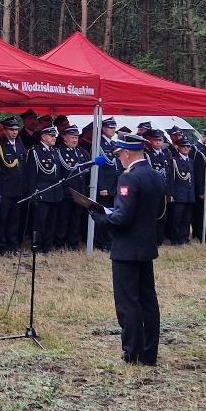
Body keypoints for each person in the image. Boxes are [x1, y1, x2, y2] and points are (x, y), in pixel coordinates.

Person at [85, 137, 165, 365]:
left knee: (128, 302)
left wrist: (100, 217)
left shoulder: (128, 177)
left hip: (127, 248)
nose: (118, 158)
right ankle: (149, 353)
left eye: (119, 154)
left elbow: (122, 218)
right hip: (146, 245)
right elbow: (158, 211)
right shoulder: (155, 175)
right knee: (148, 300)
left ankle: (132, 353)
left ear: (128, 154)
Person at [25, 123, 67, 251]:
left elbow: (58, 173)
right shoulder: (35, 151)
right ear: (43, 137)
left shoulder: (54, 152)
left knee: (51, 221)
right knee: (40, 222)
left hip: (55, 192)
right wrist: (33, 192)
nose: (54, 137)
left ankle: (47, 246)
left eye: (55, 135)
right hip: (42, 191)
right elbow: (31, 175)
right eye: (51, 135)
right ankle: (37, 245)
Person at [0, 117, 27, 253]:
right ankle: (0, 246)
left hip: (17, 189)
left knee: (14, 219)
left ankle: (12, 245)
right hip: (5, 189)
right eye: (11, 129)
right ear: (5, 131)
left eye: (16, 129)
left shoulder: (19, 146)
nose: (14, 132)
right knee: (2, 219)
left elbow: (22, 169)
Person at [165, 131, 196, 245]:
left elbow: (193, 179)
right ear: (178, 147)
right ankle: (175, 238)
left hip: (189, 194)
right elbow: (170, 179)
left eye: (188, 146)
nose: (186, 148)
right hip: (178, 194)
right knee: (176, 218)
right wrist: (171, 194)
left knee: (187, 218)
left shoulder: (191, 161)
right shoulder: (174, 161)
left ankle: (184, 237)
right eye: (184, 146)